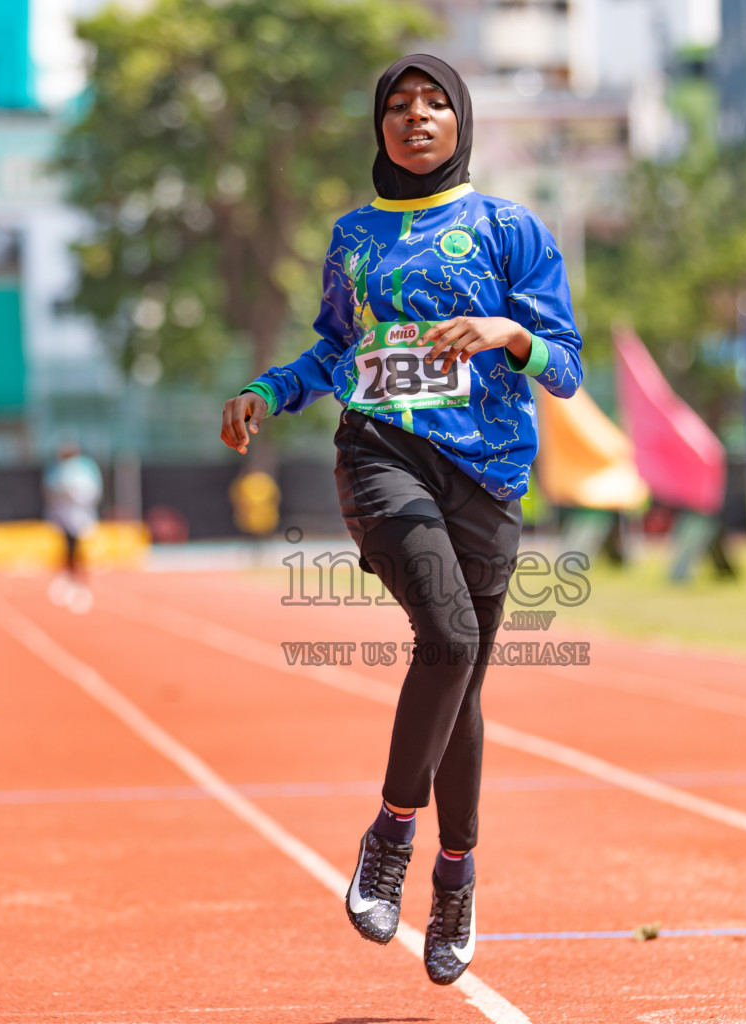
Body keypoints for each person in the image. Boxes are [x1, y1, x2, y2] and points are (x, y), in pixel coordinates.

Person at [219, 54, 582, 985]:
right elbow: (338, 348)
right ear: (378, 126)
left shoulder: (510, 230)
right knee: (450, 638)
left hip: (490, 477)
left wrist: (510, 333)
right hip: (380, 456)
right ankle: (391, 833)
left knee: (459, 679)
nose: (415, 117)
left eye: (432, 104)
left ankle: (454, 880)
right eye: (397, 105)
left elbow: (567, 367)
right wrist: (268, 387)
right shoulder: (354, 238)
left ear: (459, 120)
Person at [44, 442, 103, 614]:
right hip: (62, 516)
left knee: (79, 552)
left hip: (79, 517)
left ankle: (81, 585)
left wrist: (71, 493)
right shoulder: (57, 469)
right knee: (65, 550)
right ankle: (67, 580)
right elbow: (50, 490)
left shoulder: (84, 468)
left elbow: (90, 492)